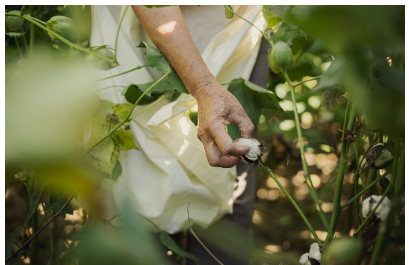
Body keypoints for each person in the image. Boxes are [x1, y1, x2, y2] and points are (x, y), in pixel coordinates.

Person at [87, 5, 268, 264]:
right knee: (134, 186)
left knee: (228, 179)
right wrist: (205, 87)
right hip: (140, 28)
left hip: (239, 30)